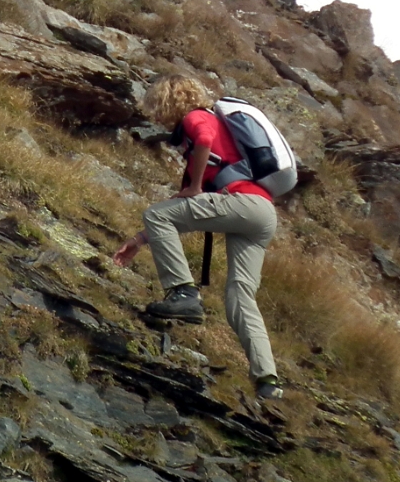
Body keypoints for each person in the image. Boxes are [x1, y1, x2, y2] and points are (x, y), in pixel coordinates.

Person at [112, 74, 284, 401]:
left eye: (156, 107)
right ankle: (267, 380)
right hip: (262, 213)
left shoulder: (197, 117)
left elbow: (203, 139)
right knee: (240, 296)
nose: (155, 116)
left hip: (242, 203)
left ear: (169, 100)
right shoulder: (216, 133)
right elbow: (187, 216)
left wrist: (193, 188)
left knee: (156, 212)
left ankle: (183, 293)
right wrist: (139, 240)